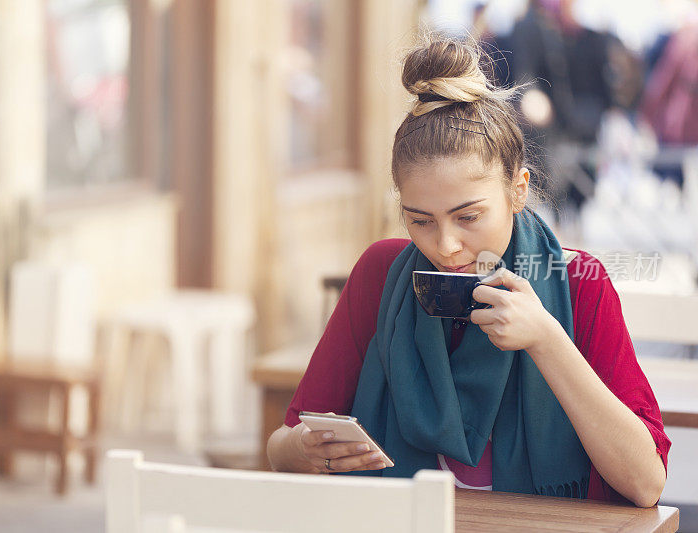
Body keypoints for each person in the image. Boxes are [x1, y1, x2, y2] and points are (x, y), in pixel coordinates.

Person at [266, 34, 670, 508]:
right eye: (420, 220)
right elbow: (281, 448)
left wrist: (545, 338)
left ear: (517, 190)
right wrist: (309, 450)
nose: (446, 246)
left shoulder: (579, 283)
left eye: (468, 216)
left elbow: (646, 484)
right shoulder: (381, 274)